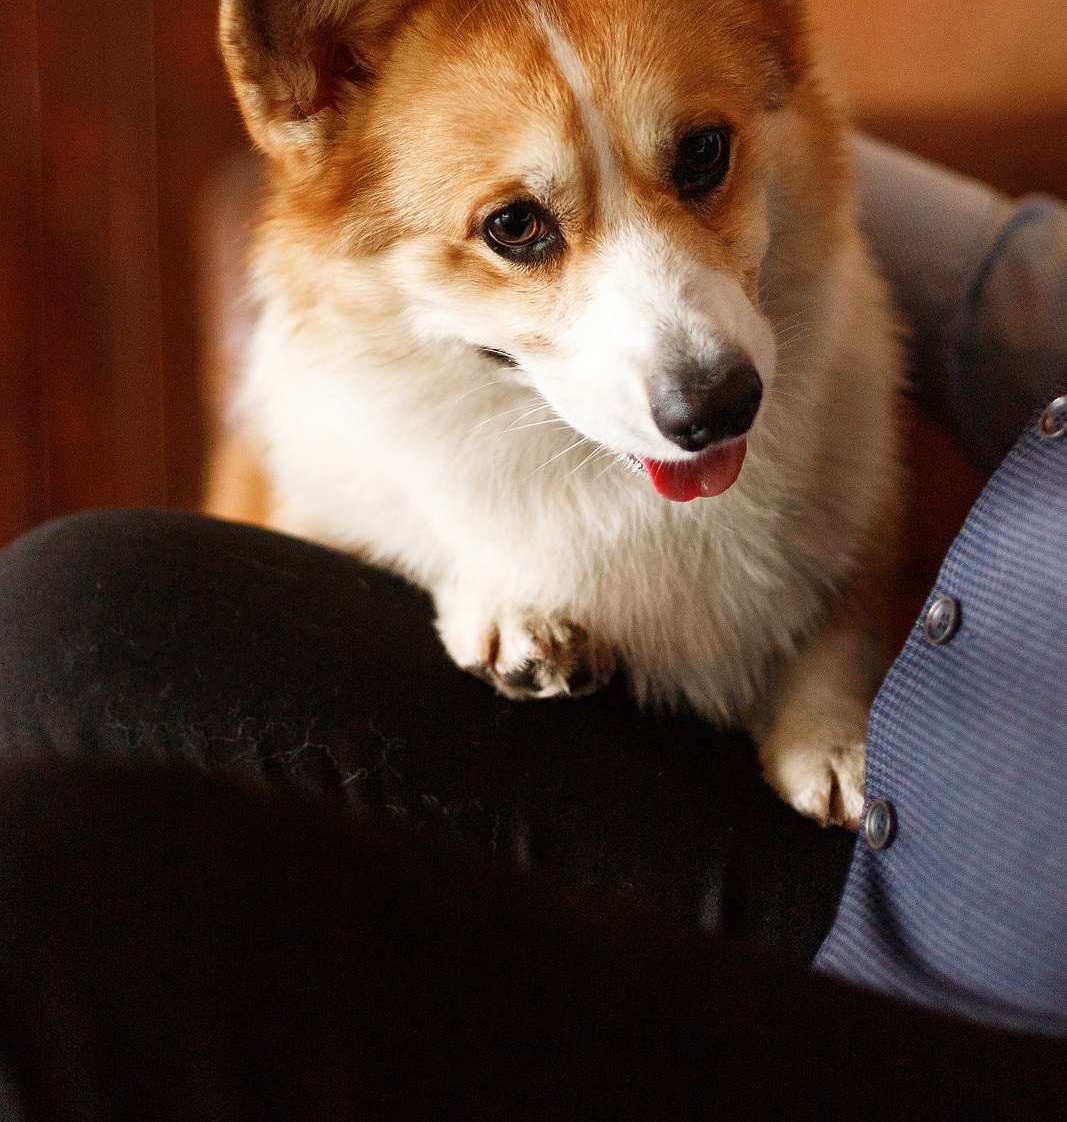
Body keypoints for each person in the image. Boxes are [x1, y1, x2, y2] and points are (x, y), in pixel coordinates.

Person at [0, 137, 1063, 1120]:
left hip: (980, 996)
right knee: (62, 613)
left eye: (697, 163)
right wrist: (585, 76)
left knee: (51, 906)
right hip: (897, 827)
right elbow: (1005, 292)